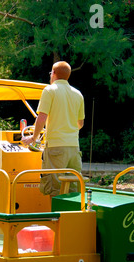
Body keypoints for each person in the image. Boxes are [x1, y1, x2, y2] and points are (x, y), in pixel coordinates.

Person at [21, 61, 85, 197]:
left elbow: (42, 118)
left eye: (51, 73)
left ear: (54, 74)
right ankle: (72, 217)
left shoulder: (49, 90)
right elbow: (80, 123)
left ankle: (56, 218)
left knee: (55, 188)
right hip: (74, 148)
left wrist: (33, 138)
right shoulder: (78, 94)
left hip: (56, 147)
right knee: (73, 189)